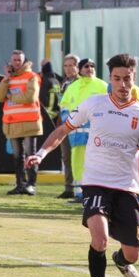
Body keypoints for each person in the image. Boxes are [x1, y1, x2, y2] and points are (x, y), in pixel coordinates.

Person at [25, 53, 139, 277]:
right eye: (117, 79)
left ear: (134, 79)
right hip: (96, 183)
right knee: (100, 240)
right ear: (110, 78)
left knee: (133, 254)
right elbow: (62, 130)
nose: (122, 84)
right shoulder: (94, 104)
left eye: (127, 79)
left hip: (126, 188)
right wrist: (40, 154)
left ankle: (121, 262)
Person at [0, 50, 42, 196]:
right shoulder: (9, 78)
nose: (16, 63)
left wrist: (11, 95)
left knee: (30, 155)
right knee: (17, 156)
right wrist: (6, 78)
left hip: (29, 122)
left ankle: (31, 184)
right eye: (14, 60)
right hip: (12, 123)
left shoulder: (32, 76)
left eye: (19, 60)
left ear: (24, 61)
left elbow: (30, 97)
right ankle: (20, 184)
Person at [58, 58, 108, 202]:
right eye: (86, 66)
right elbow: (64, 107)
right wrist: (70, 123)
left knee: (96, 163)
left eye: (92, 66)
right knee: (77, 163)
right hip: (75, 136)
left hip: (97, 135)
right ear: (80, 69)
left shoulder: (103, 86)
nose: (90, 68)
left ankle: (96, 193)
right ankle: (80, 193)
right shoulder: (72, 87)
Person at [56, 54, 79, 199]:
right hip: (65, 125)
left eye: (71, 65)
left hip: (78, 125)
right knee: (66, 156)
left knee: (77, 157)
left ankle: (79, 188)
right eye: (66, 65)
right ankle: (69, 187)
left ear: (77, 67)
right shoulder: (64, 83)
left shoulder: (81, 83)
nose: (68, 68)